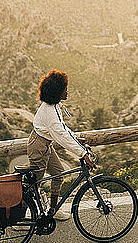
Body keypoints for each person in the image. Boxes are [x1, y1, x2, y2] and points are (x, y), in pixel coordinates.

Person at [27, 69, 96, 220]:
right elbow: (61, 135)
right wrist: (82, 153)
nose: (67, 91)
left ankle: (53, 210)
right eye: (65, 89)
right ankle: (15, 216)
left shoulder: (53, 106)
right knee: (33, 186)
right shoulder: (50, 112)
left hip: (44, 144)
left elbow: (63, 129)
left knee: (58, 174)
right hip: (38, 146)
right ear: (57, 92)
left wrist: (77, 140)